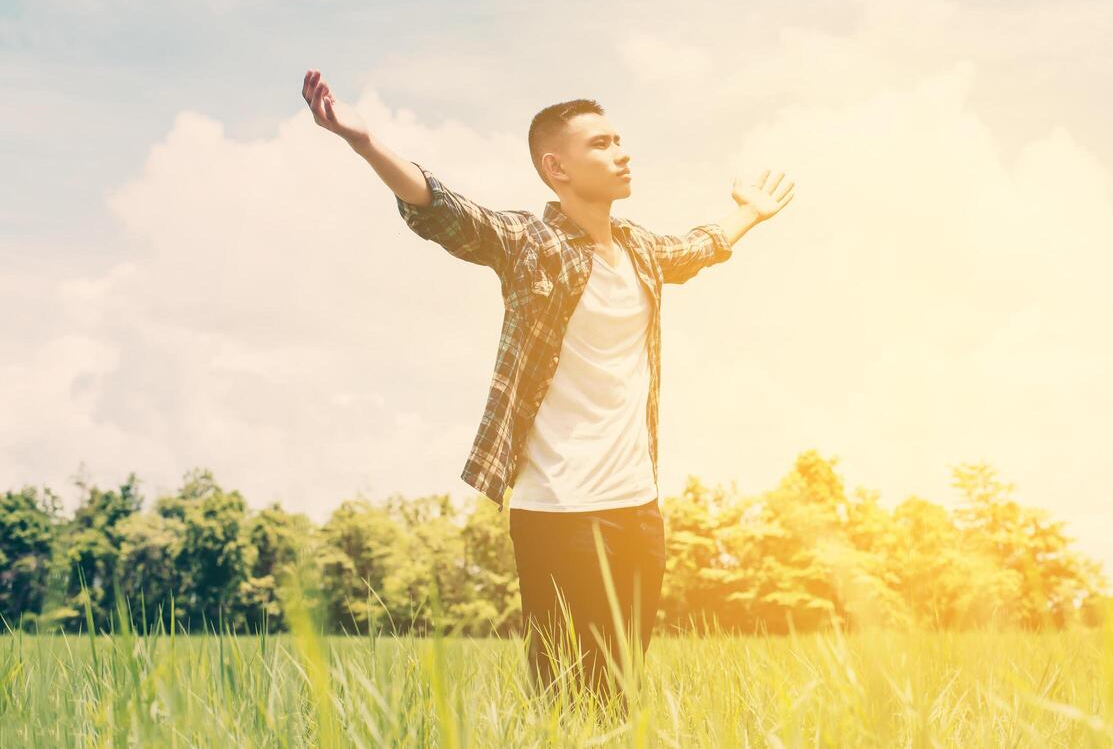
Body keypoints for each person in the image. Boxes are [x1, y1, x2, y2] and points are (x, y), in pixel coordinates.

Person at [299, 69, 794, 713]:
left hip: (637, 509)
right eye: (601, 144)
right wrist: (365, 144)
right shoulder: (533, 246)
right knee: (565, 695)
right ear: (556, 167)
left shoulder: (640, 250)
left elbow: (697, 248)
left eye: (620, 139)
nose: (622, 152)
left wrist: (748, 213)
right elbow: (445, 210)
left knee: (618, 691)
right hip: (558, 508)